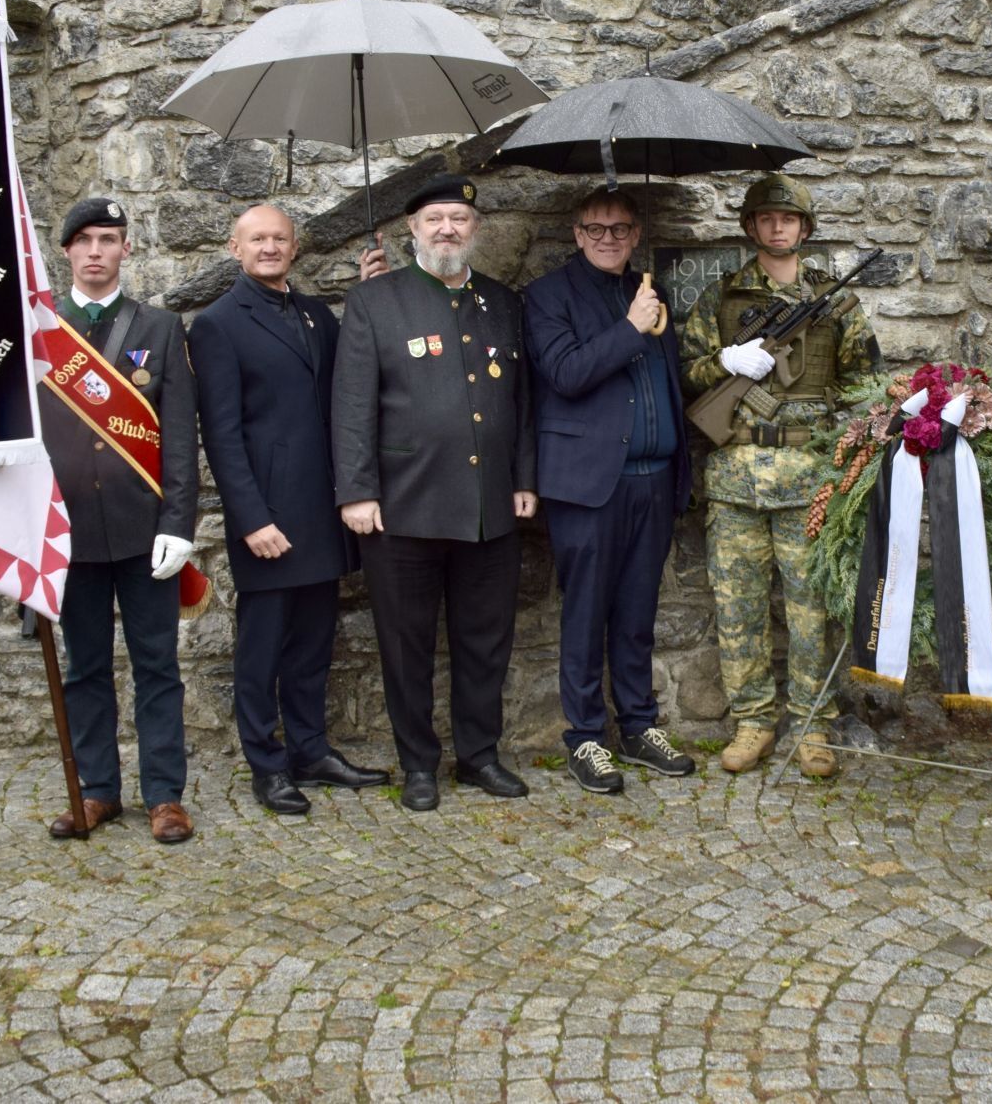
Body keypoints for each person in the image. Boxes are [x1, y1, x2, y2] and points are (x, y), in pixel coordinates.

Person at [332, 175, 537, 813]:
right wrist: (357, 491)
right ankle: (418, 764)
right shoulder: (376, 302)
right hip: (403, 507)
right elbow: (352, 404)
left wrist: (524, 478)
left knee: (485, 641)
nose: (447, 229)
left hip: (487, 507)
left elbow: (521, 402)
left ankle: (478, 756)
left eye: (458, 219)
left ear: (475, 229)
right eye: (434, 219)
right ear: (411, 231)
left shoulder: (503, 302)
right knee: (406, 643)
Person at [189, 205, 389, 816]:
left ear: (295, 247)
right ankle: (266, 764)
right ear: (235, 248)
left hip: (321, 509)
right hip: (269, 517)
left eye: (279, 237)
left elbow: (349, 385)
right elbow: (220, 434)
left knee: (312, 646)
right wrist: (250, 518)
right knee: (262, 649)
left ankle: (310, 751)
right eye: (258, 239)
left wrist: (370, 299)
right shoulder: (217, 325)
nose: (270, 247)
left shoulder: (315, 315)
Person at [679, 173, 880, 777]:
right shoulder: (720, 297)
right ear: (750, 227)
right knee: (737, 607)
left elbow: (865, 384)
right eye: (766, 218)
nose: (777, 227)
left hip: (807, 481)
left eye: (788, 219)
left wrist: (841, 451)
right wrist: (725, 361)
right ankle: (753, 723)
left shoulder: (836, 300)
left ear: (805, 229)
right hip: (737, 478)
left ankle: (814, 726)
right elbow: (687, 373)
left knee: (810, 609)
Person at [524, 188, 696, 795]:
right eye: (595, 228)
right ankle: (586, 738)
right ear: (575, 233)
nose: (607, 238)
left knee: (637, 614)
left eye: (620, 229)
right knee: (586, 612)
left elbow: (667, 381)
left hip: (653, 480)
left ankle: (640, 726)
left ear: (635, 235)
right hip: (589, 485)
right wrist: (630, 327)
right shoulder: (547, 296)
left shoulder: (649, 291)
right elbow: (567, 373)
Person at [41, 197, 198, 844]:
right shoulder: (41, 329)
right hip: (69, 532)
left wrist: (180, 521)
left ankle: (164, 794)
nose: (98, 251)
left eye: (110, 239)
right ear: (68, 252)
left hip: (143, 531)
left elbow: (181, 436)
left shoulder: (159, 328)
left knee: (157, 665)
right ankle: (98, 790)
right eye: (86, 241)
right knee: (85, 668)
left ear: (127, 248)